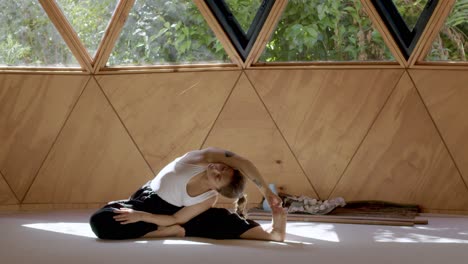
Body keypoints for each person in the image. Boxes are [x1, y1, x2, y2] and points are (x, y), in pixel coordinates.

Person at [89, 147, 287, 241]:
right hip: (144, 201)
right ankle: (162, 231)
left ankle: (275, 230)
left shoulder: (209, 198)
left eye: (219, 176)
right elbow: (243, 162)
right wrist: (266, 192)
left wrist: (142, 217)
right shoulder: (196, 159)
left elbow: (175, 217)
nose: (217, 169)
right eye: (224, 167)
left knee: (220, 223)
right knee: (100, 220)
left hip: (165, 215)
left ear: (215, 189)